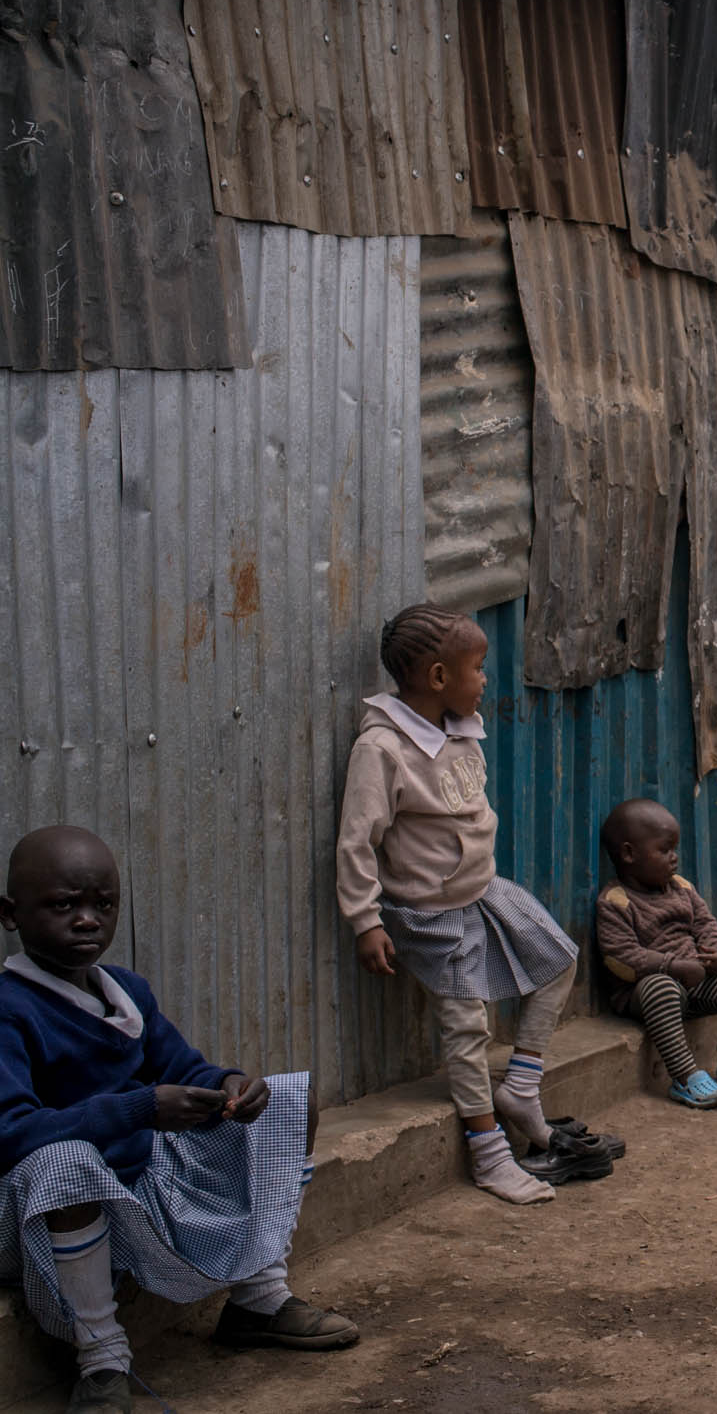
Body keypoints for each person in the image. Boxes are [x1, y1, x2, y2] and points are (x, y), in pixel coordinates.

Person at [0, 827, 359, 1414]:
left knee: (292, 1101)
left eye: (103, 904)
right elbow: (10, 1134)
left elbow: (182, 1066)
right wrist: (143, 1108)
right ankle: (102, 1359)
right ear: (10, 915)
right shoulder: (10, 1009)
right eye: (64, 905)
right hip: (35, 1215)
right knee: (64, 1160)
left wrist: (228, 1086)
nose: (88, 920)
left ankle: (257, 1297)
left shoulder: (127, 993)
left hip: (135, 1182)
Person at [337, 603, 620, 1205]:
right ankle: (489, 1153)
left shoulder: (460, 727)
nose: (486, 679)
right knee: (467, 1031)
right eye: (479, 667)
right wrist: (365, 920)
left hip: (483, 890)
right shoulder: (383, 748)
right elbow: (357, 840)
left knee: (559, 958)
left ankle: (520, 1085)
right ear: (439, 678)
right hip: (432, 913)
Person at [595, 799, 717, 1108]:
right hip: (648, 991)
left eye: (675, 849)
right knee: (660, 988)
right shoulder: (615, 901)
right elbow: (621, 956)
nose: (674, 858)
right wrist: (673, 967)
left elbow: (707, 926)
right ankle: (684, 1076)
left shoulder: (681, 888)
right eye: (664, 850)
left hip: (695, 980)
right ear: (629, 854)